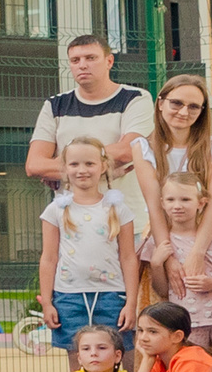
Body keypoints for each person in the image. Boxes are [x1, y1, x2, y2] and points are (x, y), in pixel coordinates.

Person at [26, 32, 155, 214]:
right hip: (71, 222)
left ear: (109, 61)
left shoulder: (136, 98)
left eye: (91, 58)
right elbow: (34, 165)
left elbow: (127, 151)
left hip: (124, 219)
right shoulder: (55, 105)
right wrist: (106, 170)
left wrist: (63, 170)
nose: (83, 65)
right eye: (75, 60)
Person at [38, 139, 139, 359]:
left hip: (113, 296)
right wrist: (47, 302)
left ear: (103, 166)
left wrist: (131, 303)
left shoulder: (119, 209)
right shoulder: (55, 210)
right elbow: (48, 258)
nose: (82, 170)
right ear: (64, 168)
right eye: (74, 164)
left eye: (89, 164)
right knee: (78, 359)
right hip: (68, 296)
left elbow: (129, 258)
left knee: (122, 354)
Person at [139, 173, 212, 358]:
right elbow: (162, 291)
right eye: (171, 200)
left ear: (201, 203)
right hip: (187, 323)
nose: (177, 206)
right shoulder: (159, 243)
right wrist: (156, 264)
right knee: (194, 371)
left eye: (185, 199)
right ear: (162, 203)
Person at [133, 74, 212, 266]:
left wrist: (198, 252)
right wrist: (167, 257)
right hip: (162, 236)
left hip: (206, 233)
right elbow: (154, 205)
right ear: (160, 104)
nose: (184, 112)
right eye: (176, 103)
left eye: (193, 106)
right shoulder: (143, 147)